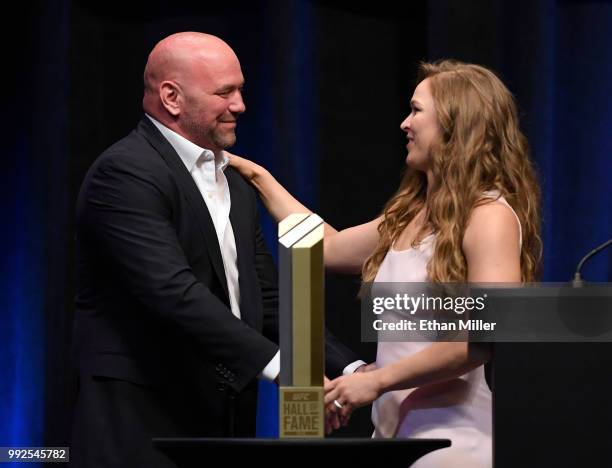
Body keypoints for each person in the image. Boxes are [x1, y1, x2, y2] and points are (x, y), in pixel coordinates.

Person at [228, 59, 542, 467]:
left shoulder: (489, 215)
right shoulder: (412, 215)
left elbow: (480, 338)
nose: (404, 124)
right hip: (398, 433)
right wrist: (257, 178)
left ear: (454, 124)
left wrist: (376, 380)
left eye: (416, 110)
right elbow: (325, 247)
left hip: (453, 443)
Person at [71, 32, 363, 468]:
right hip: (143, 424)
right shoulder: (126, 172)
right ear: (171, 97)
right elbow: (173, 292)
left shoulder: (234, 182)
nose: (241, 104)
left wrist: (351, 370)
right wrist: (288, 370)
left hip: (221, 419)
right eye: (225, 92)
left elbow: (267, 297)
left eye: (241, 89)